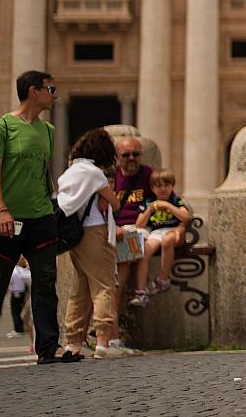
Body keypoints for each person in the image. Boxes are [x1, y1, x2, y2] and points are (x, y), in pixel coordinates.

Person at [0, 71, 73, 367]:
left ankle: (48, 347)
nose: (54, 95)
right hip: (5, 219)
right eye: (51, 89)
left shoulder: (48, 130)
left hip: (41, 217)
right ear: (34, 91)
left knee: (46, 282)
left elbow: (43, 172)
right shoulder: (2, 126)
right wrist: (1, 209)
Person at [56, 128, 139, 359]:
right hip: (94, 232)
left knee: (80, 288)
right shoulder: (94, 173)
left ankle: (73, 341)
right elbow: (115, 204)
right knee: (104, 286)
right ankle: (103, 340)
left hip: (75, 235)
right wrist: (106, 195)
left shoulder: (70, 172)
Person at [129, 169, 191, 308]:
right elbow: (139, 225)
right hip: (156, 232)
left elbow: (186, 218)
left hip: (174, 231)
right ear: (152, 188)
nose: (163, 189)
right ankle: (140, 292)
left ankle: (163, 279)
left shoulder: (176, 201)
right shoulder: (148, 202)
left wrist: (167, 205)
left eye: (167, 185)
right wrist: (150, 210)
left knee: (166, 241)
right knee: (143, 252)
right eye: (159, 186)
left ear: (172, 186)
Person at [112, 135, 155, 300]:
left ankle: (115, 305)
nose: (131, 158)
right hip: (114, 229)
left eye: (135, 154)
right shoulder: (111, 177)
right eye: (126, 155)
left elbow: (167, 198)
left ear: (141, 155)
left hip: (138, 229)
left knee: (124, 259)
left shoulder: (149, 175)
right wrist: (113, 227)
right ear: (117, 157)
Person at [7, 259, 29, 338]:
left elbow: (10, 281)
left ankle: (18, 329)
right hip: (21, 292)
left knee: (15, 311)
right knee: (19, 310)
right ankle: (20, 328)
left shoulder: (13, 271)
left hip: (15, 292)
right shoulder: (21, 270)